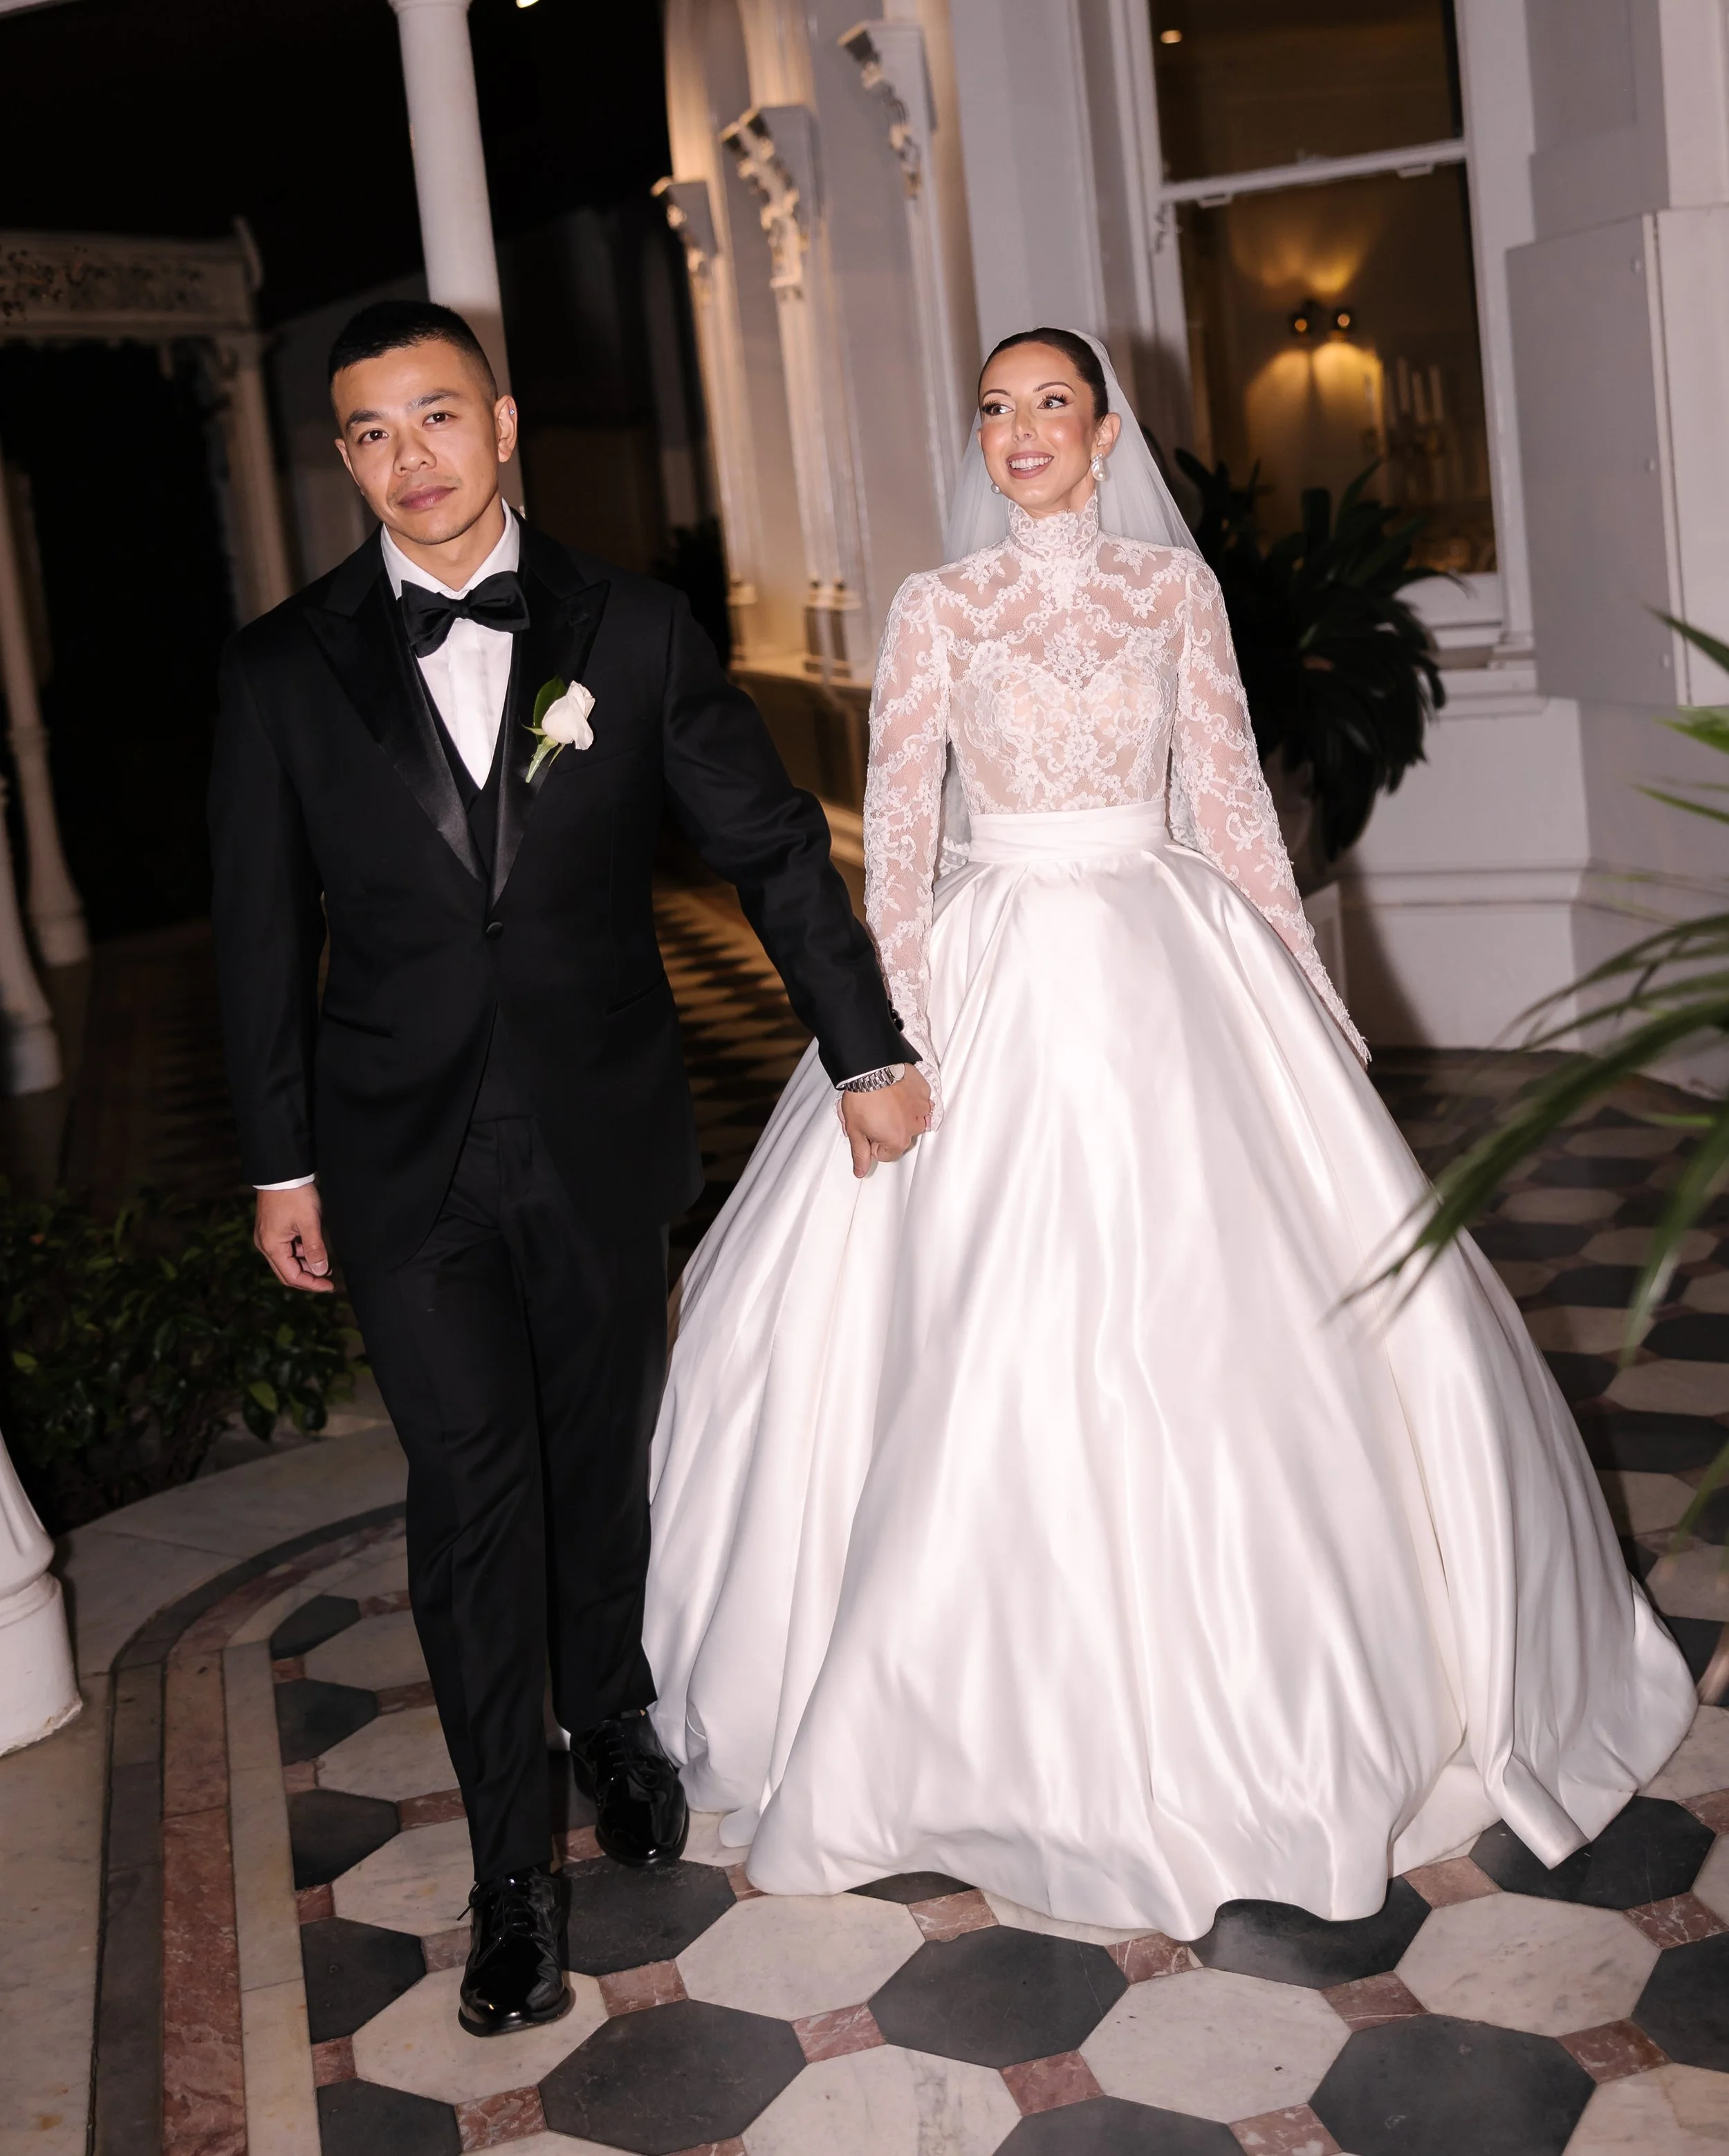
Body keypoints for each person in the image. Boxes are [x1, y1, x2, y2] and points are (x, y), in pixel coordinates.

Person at [643, 325, 1694, 1938]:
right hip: (990, 960)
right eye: (992, 408)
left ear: (1102, 426)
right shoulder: (936, 607)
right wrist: (889, 1041)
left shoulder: (1169, 595)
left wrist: (1310, 1005)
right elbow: (904, 839)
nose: (1018, 431)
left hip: (1168, 947)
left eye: (1048, 404)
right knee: (970, 1330)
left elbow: (1230, 813)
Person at [207, 300, 927, 2037]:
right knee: (469, 1488)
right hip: (397, 1156)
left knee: (597, 1446)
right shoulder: (280, 669)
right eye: (371, 434)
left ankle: (605, 1700)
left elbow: (767, 853)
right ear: (343, 456)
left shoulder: (642, 630)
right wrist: (276, 1162)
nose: (410, 461)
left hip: (599, 1124)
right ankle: (509, 1878)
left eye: (437, 418)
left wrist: (864, 1047)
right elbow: (252, 937)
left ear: (503, 421)